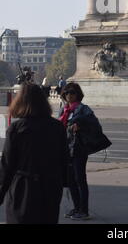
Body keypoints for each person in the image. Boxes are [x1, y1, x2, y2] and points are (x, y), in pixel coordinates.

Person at [0, 83, 68, 224]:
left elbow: (7, 165)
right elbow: (64, 158)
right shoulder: (57, 126)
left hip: (23, 187)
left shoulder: (17, 128)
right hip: (50, 186)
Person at [58, 82, 94, 221]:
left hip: (79, 149)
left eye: (72, 92)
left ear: (78, 94)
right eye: (66, 93)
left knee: (80, 179)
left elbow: (92, 125)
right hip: (66, 149)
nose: (69, 95)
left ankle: (84, 210)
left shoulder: (83, 109)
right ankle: (77, 207)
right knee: (70, 180)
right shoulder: (64, 110)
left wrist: (81, 126)